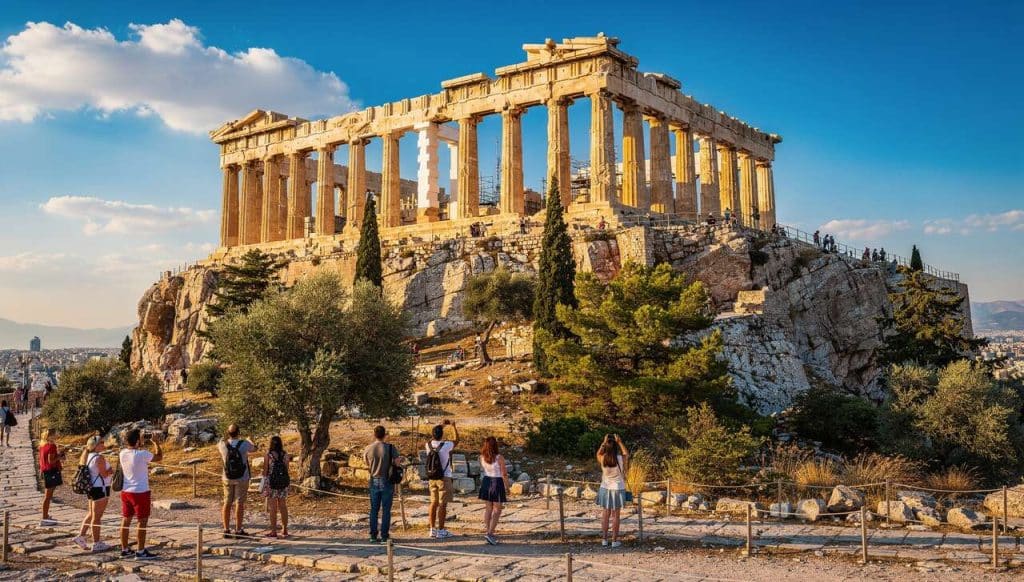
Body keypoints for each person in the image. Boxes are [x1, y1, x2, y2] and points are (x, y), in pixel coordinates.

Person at [119, 428, 162, 559]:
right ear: (137, 441)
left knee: (126, 520)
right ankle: (140, 551)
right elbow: (159, 457)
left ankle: (124, 549)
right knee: (142, 522)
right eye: (141, 437)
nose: (143, 439)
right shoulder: (142, 454)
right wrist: (156, 442)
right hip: (140, 492)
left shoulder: (122, 453)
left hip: (126, 490)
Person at [72, 434, 114, 552]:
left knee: (91, 514)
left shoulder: (88, 456)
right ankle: (96, 543)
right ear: (96, 446)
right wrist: (110, 470)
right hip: (101, 488)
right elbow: (104, 474)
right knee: (97, 517)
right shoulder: (99, 458)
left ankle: (81, 536)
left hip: (92, 487)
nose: (103, 444)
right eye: (101, 443)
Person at [217, 424, 258, 539]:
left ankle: (226, 529)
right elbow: (254, 449)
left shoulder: (222, 444)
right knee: (239, 502)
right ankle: (238, 530)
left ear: (228, 433)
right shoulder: (244, 444)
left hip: (227, 477)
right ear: (238, 432)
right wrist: (250, 440)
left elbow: (219, 446)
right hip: (242, 477)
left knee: (227, 502)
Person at [363, 425, 402, 543]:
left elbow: (366, 464)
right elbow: (397, 462)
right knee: (386, 509)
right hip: (386, 480)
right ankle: (384, 535)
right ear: (385, 435)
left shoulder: (368, 448)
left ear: (374, 435)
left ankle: (373, 535)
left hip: (374, 479)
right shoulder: (390, 447)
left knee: (374, 509)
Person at [426, 421, 459, 539]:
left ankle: (432, 529)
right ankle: (441, 530)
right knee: (442, 505)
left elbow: (433, 437)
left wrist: (441, 425)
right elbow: (457, 440)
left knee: (433, 503)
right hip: (444, 477)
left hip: (432, 477)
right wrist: (453, 427)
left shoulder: (428, 445)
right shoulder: (446, 445)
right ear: (442, 435)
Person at [595, 434, 629, 548]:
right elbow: (626, 454)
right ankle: (614, 541)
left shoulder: (603, 458)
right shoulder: (619, 459)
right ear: (615, 448)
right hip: (618, 489)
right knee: (616, 516)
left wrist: (604, 442)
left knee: (605, 514)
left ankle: (604, 539)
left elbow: (598, 453)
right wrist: (620, 442)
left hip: (605, 488)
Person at [477, 436, 510, 545]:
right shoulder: (499, 457)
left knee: (488, 508)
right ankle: (490, 533)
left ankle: (488, 530)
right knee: (497, 509)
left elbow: (484, 469)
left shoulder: (481, 457)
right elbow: (504, 474)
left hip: (486, 481)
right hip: (497, 482)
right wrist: (507, 486)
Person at [260, 435, 291, 538]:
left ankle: (273, 531)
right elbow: (287, 469)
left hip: (271, 483)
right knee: (283, 506)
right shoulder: (285, 454)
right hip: (283, 483)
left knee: (273, 508)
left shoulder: (268, 455)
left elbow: (265, 471)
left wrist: (263, 483)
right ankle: (285, 529)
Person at [39, 428, 65, 526]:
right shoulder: (52, 446)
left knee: (48, 496)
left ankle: (46, 516)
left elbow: (45, 458)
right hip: (51, 471)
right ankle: (44, 518)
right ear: (51, 436)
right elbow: (51, 461)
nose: (57, 435)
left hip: (45, 470)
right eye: (55, 434)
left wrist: (57, 455)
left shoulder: (42, 445)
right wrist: (60, 457)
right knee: (48, 496)